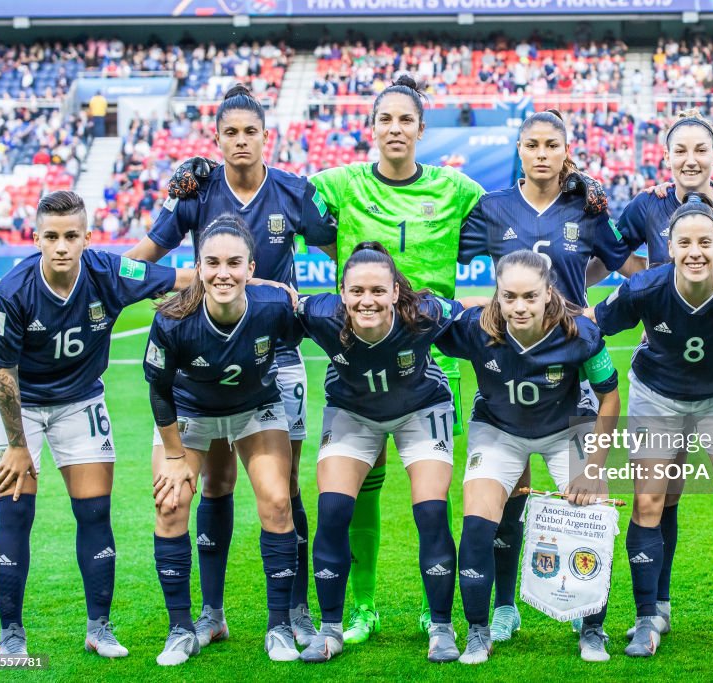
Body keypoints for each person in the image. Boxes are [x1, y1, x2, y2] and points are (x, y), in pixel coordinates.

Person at [168, 74, 607, 642]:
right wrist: (209, 168)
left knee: (444, 495)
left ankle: (445, 610)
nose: (395, 129)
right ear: (371, 129)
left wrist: (576, 181)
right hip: (358, 353)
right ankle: (363, 605)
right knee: (359, 488)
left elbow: (518, 208)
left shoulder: (457, 189)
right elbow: (268, 186)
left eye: (406, 120)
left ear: (421, 130)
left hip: (434, 357)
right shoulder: (338, 183)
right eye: (386, 120)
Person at [126, 83, 337, 649]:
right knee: (215, 484)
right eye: (230, 133)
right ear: (216, 139)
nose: (241, 141)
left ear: (268, 138)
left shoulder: (294, 192)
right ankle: (210, 613)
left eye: (251, 132)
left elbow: (345, 249)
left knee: (284, 488)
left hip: (277, 355)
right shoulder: (196, 189)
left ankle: (293, 614)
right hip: (205, 355)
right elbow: (143, 258)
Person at [457, 109, 638, 642]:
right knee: (509, 493)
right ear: (520, 148)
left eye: (551, 145)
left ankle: (590, 623)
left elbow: (620, 263)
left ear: (566, 150)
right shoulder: (492, 208)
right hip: (508, 356)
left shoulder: (586, 206)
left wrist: (584, 304)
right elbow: (448, 259)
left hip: (568, 363)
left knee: (586, 499)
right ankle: (505, 607)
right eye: (531, 144)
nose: (541, 153)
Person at [602, 109, 713, 641]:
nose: (689, 159)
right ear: (666, 158)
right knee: (658, 496)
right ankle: (652, 611)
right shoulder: (647, 205)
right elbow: (612, 261)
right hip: (661, 375)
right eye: (680, 151)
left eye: (699, 149)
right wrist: (656, 283)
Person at [0, 190, 186, 658]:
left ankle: (100, 627)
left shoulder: (108, 272)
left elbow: (182, 276)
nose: (60, 246)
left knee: (94, 513)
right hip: (16, 406)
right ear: (36, 238)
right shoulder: (11, 292)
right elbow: (3, 376)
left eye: (71, 236)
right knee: (15, 515)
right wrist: (17, 446)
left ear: (87, 238)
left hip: (79, 400)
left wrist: (247, 281)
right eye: (51, 236)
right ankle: (11, 635)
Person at [434, 249, 621, 664]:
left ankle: (592, 629)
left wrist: (592, 469)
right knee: (478, 523)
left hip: (565, 428)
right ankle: (480, 632)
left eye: (530, 297)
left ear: (547, 292)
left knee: (593, 517)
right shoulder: (473, 328)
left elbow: (610, 399)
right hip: (499, 429)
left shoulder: (581, 334)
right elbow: (422, 311)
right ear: (496, 295)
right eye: (509, 296)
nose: (519, 307)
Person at [295, 242, 472, 664]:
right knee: (334, 509)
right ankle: (332, 628)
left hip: (420, 408)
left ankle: (441, 625)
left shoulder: (425, 313)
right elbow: (275, 299)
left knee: (430, 510)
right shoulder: (321, 315)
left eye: (377, 290)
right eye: (356, 291)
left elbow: (476, 308)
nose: (366, 300)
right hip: (353, 412)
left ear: (395, 292)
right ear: (342, 292)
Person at [145, 216, 305, 665]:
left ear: (251, 267)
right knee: (171, 502)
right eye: (212, 263)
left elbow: (309, 331)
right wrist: (175, 456)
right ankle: (186, 626)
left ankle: (278, 627)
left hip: (256, 409)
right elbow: (158, 387)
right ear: (197, 267)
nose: (223, 273)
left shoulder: (274, 305)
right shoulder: (173, 318)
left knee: (277, 500)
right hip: (191, 412)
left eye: (234, 263)